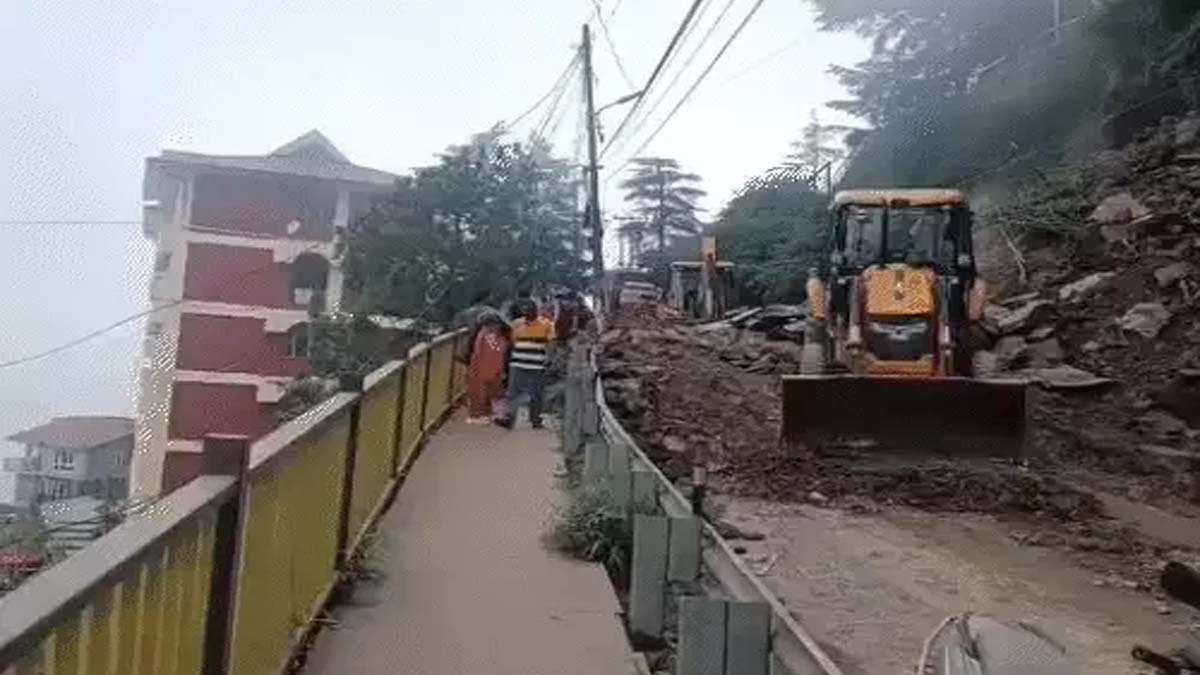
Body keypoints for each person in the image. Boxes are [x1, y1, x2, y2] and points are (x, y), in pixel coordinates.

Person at [494, 299, 555, 430]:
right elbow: (512, 343)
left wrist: (549, 358)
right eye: (524, 310)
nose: (527, 312)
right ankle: (509, 418)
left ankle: (536, 420)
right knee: (512, 393)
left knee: (536, 394)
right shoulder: (516, 324)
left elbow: (551, 344)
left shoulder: (546, 324)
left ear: (536, 311)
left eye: (530, 309)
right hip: (518, 364)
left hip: (537, 365)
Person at [465, 310, 510, 424]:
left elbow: (489, 352)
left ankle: (495, 415)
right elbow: (497, 352)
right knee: (495, 392)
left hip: (486, 368)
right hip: (491, 368)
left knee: (490, 392)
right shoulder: (495, 336)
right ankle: (498, 414)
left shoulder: (485, 335)